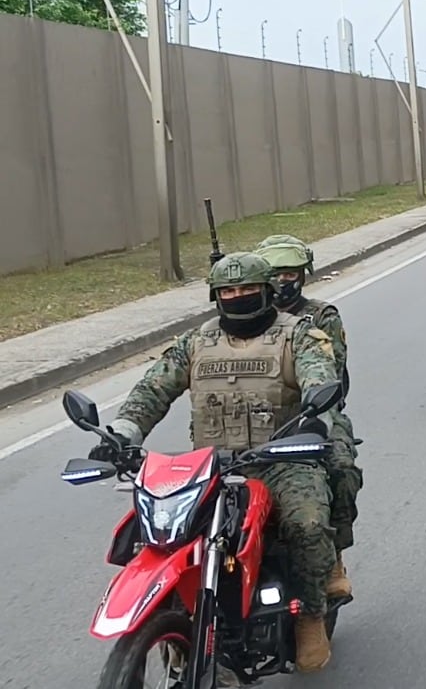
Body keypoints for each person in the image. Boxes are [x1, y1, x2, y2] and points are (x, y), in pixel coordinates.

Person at [89, 252, 342, 672]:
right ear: (216, 296)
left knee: (308, 523)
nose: (238, 297)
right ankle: (177, 622)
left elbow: (321, 378)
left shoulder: (298, 335)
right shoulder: (196, 342)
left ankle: (311, 616)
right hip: (210, 465)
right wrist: (122, 433)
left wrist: (315, 424)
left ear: (266, 292)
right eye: (228, 291)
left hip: (280, 458)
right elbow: (153, 390)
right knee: (157, 535)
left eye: (246, 289)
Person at [254, 234, 362, 603]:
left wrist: (316, 418)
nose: (284, 280)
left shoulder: (321, 317)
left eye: (291, 273)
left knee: (342, 469)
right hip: (248, 430)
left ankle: (334, 559)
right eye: (275, 273)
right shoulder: (243, 320)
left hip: (312, 418)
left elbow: (330, 373)